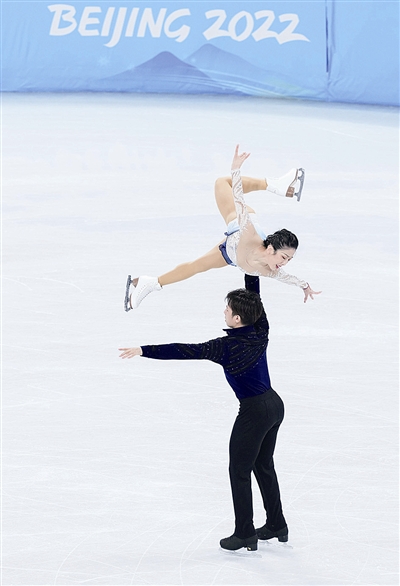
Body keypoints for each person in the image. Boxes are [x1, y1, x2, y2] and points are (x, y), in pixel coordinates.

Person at [119, 274, 289, 552]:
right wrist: (250, 268)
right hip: (274, 405)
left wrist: (143, 350)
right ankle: (276, 524)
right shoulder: (260, 329)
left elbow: (184, 350)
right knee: (263, 465)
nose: (224, 311)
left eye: (228, 309)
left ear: (237, 319)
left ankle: (245, 532)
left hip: (254, 412)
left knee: (239, 470)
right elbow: (255, 299)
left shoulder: (225, 347)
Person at [124, 145, 321, 311]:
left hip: (230, 253)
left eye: (289, 259)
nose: (285, 263)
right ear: (271, 249)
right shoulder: (249, 234)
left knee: (196, 266)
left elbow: (290, 279)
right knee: (222, 183)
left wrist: (305, 287)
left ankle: (150, 282)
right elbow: (239, 199)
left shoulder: (271, 271)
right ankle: (274, 184)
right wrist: (235, 169)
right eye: (284, 257)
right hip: (239, 224)